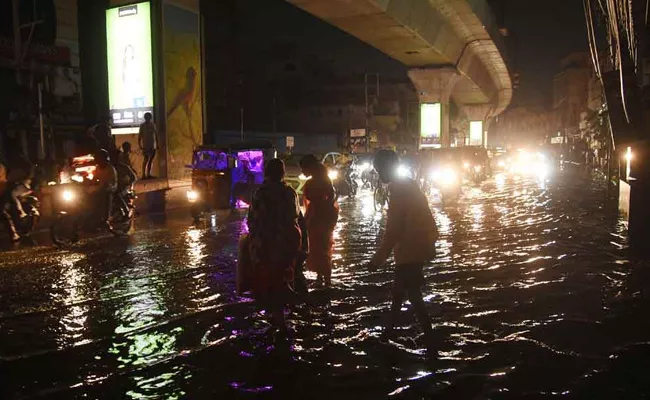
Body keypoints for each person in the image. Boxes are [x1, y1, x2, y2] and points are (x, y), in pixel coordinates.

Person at [367, 149, 438, 346]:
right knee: (399, 293)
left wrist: (378, 259)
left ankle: (429, 338)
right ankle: (390, 333)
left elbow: (394, 229)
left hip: (410, 249)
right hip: (415, 246)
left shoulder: (399, 190)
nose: (379, 175)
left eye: (380, 170)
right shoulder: (408, 185)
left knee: (413, 295)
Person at [246, 158, 301, 334]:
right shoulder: (289, 192)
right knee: (283, 275)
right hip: (286, 242)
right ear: (282, 174)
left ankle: (277, 316)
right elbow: (296, 215)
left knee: (269, 279)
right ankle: (283, 312)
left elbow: (252, 220)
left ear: (266, 173)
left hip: (265, 243)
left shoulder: (259, 193)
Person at [300, 154, 339, 287]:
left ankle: (325, 279)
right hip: (320, 217)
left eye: (303, 168)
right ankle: (321, 277)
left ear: (309, 167)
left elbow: (329, 198)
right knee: (320, 247)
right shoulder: (322, 179)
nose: (302, 171)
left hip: (319, 218)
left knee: (320, 247)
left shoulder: (318, 181)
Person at [91, 149, 118, 228]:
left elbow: (112, 181)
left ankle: (107, 218)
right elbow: (94, 178)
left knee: (106, 194)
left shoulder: (110, 168)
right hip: (101, 187)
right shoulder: (98, 168)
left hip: (111, 187)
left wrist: (107, 186)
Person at [138, 112, 158, 179]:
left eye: (149, 117)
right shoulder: (142, 125)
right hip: (145, 145)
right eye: (146, 117)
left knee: (151, 160)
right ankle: (143, 174)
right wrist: (140, 145)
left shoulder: (153, 125)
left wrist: (157, 144)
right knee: (146, 159)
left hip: (152, 145)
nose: (148, 118)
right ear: (145, 118)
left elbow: (156, 135)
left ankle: (148, 174)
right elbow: (140, 136)